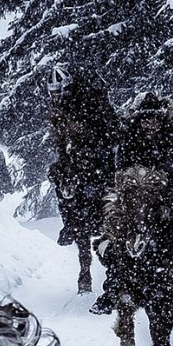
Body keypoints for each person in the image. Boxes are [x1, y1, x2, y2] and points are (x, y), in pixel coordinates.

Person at [91, 92, 173, 315]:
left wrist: (167, 202)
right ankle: (112, 289)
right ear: (138, 120)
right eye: (146, 118)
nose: (150, 123)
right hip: (134, 202)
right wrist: (129, 199)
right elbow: (121, 176)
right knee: (115, 239)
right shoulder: (128, 143)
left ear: (161, 118)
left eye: (154, 118)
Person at [45, 66, 121, 247]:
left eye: (59, 92)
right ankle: (71, 224)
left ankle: (102, 221)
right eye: (53, 93)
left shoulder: (91, 102)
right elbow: (62, 143)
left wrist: (93, 150)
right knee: (60, 177)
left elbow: (111, 131)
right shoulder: (59, 111)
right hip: (77, 159)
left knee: (95, 187)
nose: (57, 97)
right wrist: (63, 164)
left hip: (101, 158)